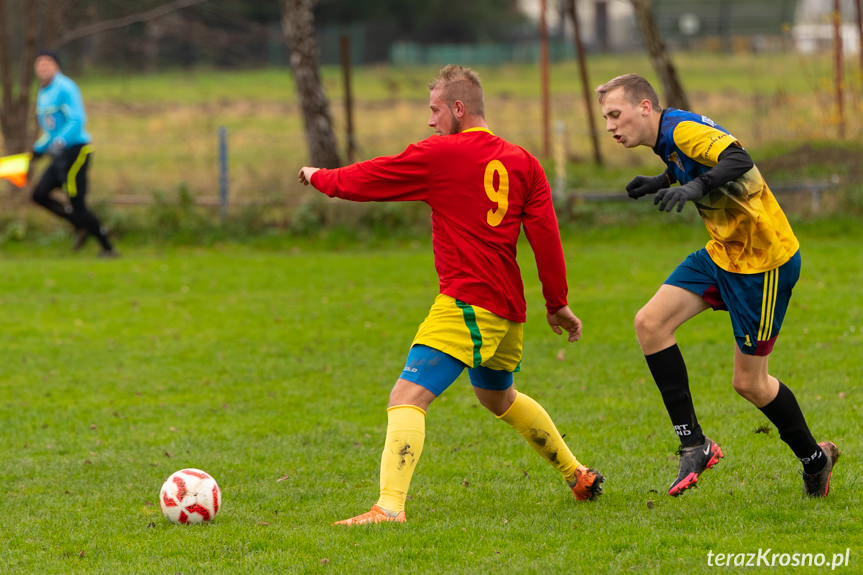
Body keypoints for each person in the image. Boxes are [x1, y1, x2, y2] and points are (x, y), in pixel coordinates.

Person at [297, 65, 604, 525]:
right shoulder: (525, 162)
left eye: (435, 110)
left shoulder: (440, 155)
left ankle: (389, 508)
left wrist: (321, 176)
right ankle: (577, 474)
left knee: (407, 396)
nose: (430, 121)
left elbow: (370, 178)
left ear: (459, 109)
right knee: (497, 397)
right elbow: (547, 237)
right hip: (508, 309)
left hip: (468, 301)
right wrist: (557, 303)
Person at [595, 73, 838, 497]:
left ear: (645, 107)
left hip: (763, 264)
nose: (612, 125)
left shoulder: (682, 129)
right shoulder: (667, 137)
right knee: (650, 324)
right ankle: (695, 444)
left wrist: (694, 187)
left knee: (749, 383)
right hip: (723, 253)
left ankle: (815, 460)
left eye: (616, 114)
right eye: (606, 118)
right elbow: (695, 162)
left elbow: (737, 159)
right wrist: (661, 181)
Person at [32, 50, 116, 257]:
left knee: (77, 202)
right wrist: (38, 149)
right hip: (58, 152)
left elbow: (77, 120)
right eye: (39, 65)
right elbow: (50, 130)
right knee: (39, 194)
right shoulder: (43, 92)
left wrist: (60, 141)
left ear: (56, 66)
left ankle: (107, 247)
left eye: (47, 64)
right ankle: (79, 224)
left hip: (75, 151)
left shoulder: (65, 87)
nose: (43, 68)